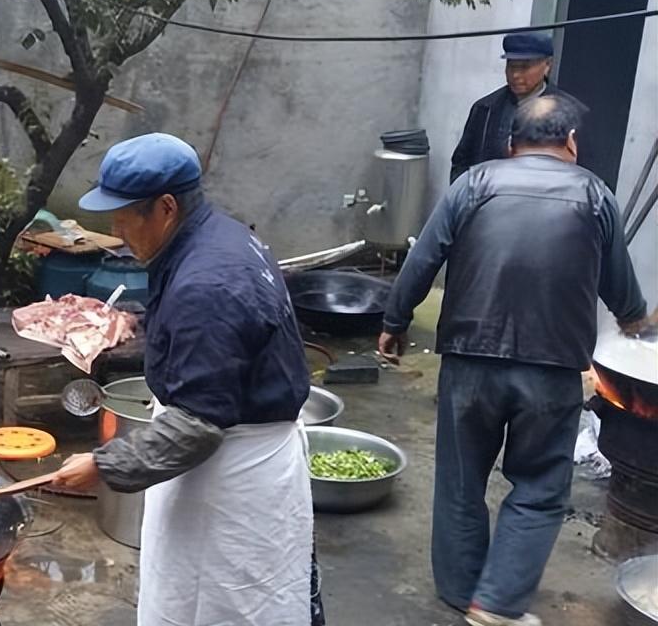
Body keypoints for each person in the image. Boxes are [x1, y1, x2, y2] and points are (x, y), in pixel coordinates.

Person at [378, 95, 650, 626]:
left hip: (468, 362)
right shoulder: (596, 195)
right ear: (571, 141)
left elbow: (422, 258)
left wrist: (394, 321)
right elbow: (621, 288)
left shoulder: (474, 184)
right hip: (550, 372)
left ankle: (461, 593)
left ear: (511, 143)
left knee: (460, 481)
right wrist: (636, 321)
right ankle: (497, 604)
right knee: (541, 486)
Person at [52, 133, 315, 626]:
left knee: (227, 605)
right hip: (237, 454)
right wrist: (141, 320)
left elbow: (197, 425)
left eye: (124, 215)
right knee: (203, 597)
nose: (116, 228)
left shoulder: (208, 286)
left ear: (166, 207)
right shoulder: (222, 234)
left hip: (235, 475)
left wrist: (106, 465)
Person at [449, 32, 584, 182]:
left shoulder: (572, 114)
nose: (515, 75)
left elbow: (584, 174)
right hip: (489, 199)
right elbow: (461, 164)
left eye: (525, 67)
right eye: (511, 66)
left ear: (547, 65)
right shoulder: (486, 108)